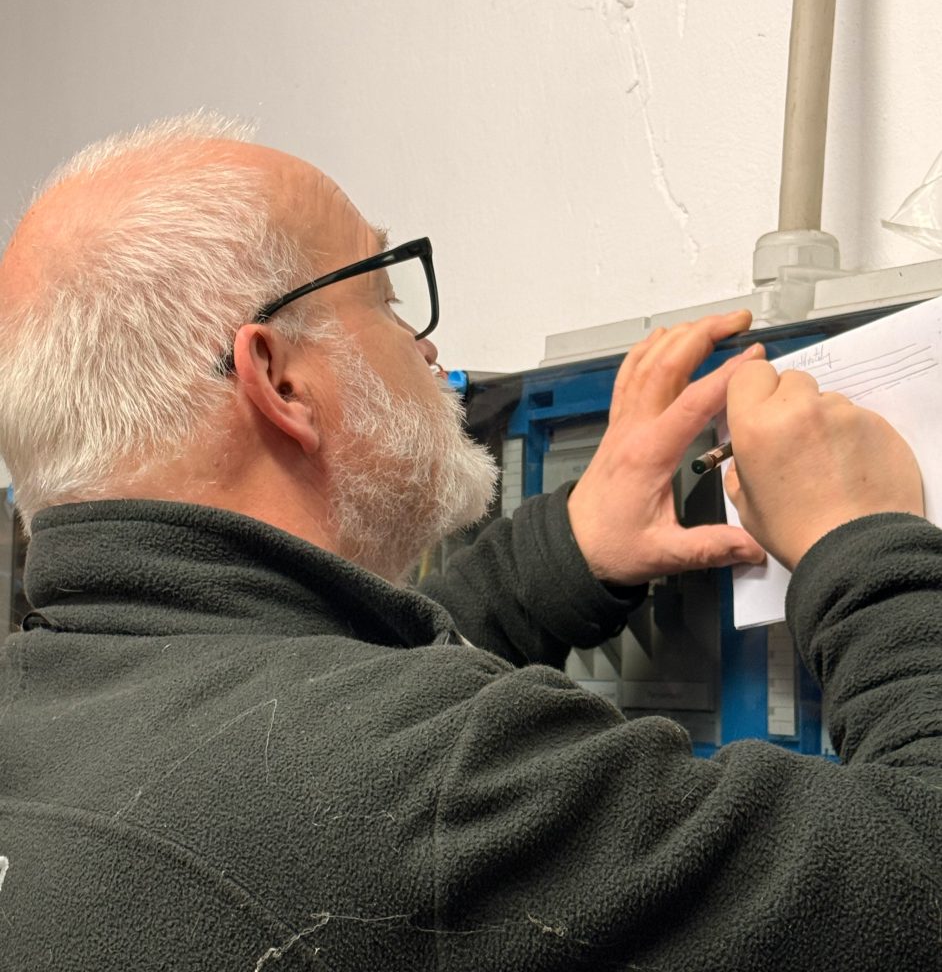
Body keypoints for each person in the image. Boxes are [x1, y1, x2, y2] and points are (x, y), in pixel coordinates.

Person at [0, 114, 938, 972]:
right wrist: (861, 540)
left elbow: (284, 704)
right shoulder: (415, 778)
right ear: (279, 380)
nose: (426, 350)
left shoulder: (46, 702)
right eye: (385, 298)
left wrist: (567, 550)